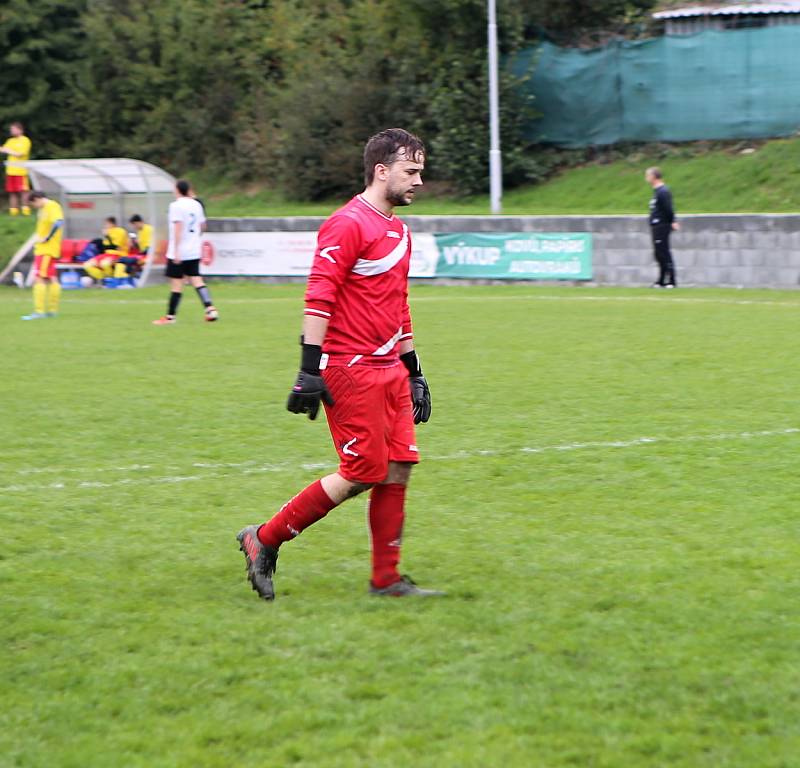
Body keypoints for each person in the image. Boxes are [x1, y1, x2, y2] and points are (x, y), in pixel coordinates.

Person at [236, 128, 441, 600]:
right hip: (350, 368)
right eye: (411, 172)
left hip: (389, 367)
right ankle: (262, 539)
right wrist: (309, 369)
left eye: (421, 173)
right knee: (363, 470)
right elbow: (319, 298)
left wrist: (415, 370)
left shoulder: (399, 231)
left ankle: (386, 579)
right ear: (381, 171)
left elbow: (399, 306)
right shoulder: (348, 223)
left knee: (399, 467)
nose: (418, 182)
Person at [152, 179, 218, 324]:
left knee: (176, 284)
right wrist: (195, 240)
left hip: (180, 251)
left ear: (177, 190)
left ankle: (170, 317)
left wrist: (176, 251)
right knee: (196, 278)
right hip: (194, 250)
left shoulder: (175, 206)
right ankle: (210, 309)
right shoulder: (196, 204)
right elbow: (202, 226)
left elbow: (178, 228)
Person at [22, 190, 64, 320]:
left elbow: (58, 222)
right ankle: (52, 311)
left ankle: (39, 312)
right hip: (45, 249)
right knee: (51, 278)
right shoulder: (44, 209)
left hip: (46, 249)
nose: (34, 206)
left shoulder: (52, 206)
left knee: (39, 278)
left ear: (38, 199)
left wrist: (47, 237)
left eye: (33, 203)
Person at [646, 166, 679, 288]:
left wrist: (672, 221)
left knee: (664, 253)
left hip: (662, 225)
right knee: (658, 254)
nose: (647, 178)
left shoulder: (663, 191)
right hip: (656, 225)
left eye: (648, 175)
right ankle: (661, 280)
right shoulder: (657, 192)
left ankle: (671, 280)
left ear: (654, 177)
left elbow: (668, 208)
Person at [82, 217, 130, 283]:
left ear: (111, 223)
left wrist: (107, 236)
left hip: (118, 254)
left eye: (107, 224)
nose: (105, 226)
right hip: (106, 254)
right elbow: (105, 247)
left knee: (105, 264)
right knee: (87, 265)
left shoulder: (120, 231)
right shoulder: (109, 232)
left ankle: (111, 279)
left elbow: (115, 247)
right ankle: (103, 279)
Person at [1, 122, 32, 216]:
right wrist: (7, 150)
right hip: (10, 171)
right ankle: (13, 212)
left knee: (23, 192)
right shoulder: (10, 141)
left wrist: (8, 150)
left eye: (13, 129)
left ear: (20, 130)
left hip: (21, 171)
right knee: (12, 192)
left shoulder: (25, 140)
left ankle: (26, 211)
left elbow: (20, 154)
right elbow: (2, 149)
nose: (11, 131)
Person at [113, 214, 153, 283]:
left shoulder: (149, 229)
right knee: (122, 261)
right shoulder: (140, 231)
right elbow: (140, 246)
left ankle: (127, 279)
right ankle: (122, 280)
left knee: (128, 260)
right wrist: (134, 243)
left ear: (139, 222)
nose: (134, 226)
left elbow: (149, 248)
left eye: (134, 224)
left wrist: (138, 255)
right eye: (133, 225)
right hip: (142, 254)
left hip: (149, 254)